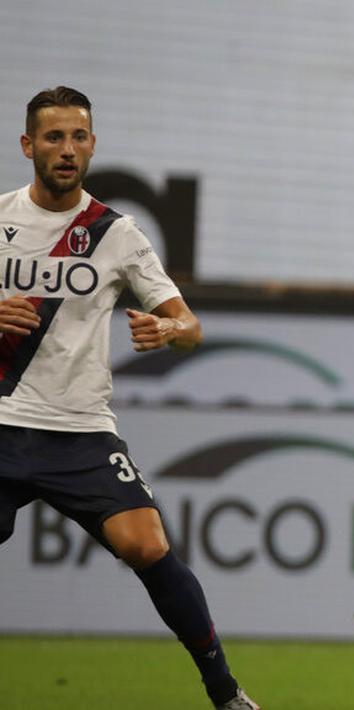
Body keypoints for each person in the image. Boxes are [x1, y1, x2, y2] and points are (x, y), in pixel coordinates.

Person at [0, 87, 258, 710]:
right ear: (28, 145)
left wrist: (169, 330)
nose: (67, 149)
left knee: (148, 545)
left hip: (81, 430)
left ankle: (225, 692)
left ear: (92, 146)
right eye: (54, 137)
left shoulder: (115, 233)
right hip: (3, 421)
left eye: (78, 137)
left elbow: (190, 326)